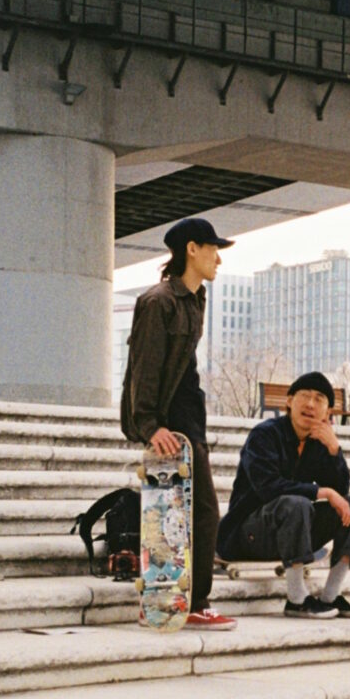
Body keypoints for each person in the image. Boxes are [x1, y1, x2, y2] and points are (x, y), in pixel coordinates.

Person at [121, 216, 236, 630]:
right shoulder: (159, 302)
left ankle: (172, 601)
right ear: (192, 249)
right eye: (213, 249)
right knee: (200, 512)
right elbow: (144, 366)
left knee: (182, 513)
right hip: (166, 420)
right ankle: (194, 602)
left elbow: (185, 368)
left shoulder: (195, 299)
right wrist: (149, 425)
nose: (218, 259)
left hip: (188, 418)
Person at [217, 372, 350, 618]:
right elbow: (268, 487)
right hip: (248, 534)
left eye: (319, 399)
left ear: (328, 412)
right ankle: (297, 599)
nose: (310, 404)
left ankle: (331, 596)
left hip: (291, 533)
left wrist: (334, 450)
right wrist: (322, 491)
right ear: (289, 401)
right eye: (304, 396)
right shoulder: (264, 435)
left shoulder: (319, 442)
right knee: (296, 504)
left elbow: (340, 495)